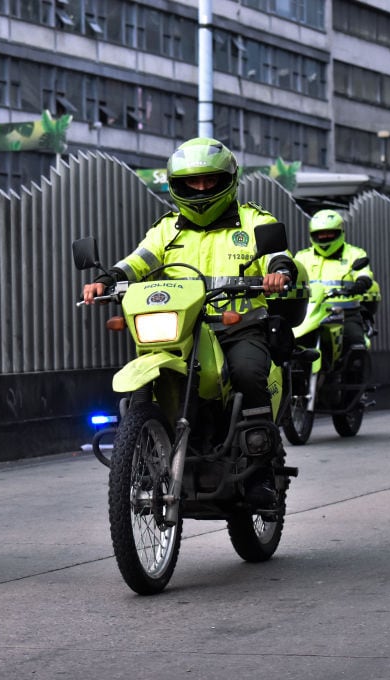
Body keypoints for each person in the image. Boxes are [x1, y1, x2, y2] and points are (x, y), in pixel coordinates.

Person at [81, 137, 295, 507]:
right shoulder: (168, 229)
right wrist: (107, 279)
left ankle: (260, 470)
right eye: (191, 182)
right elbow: (137, 261)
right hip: (182, 330)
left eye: (209, 181)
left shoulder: (255, 220)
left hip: (238, 326)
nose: (200, 189)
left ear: (226, 180)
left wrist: (278, 272)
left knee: (246, 372)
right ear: (176, 185)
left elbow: (279, 255)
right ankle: (145, 454)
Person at [293, 208, 376, 376]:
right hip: (312, 313)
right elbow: (293, 278)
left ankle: (355, 397)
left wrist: (360, 284)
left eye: (329, 234)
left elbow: (365, 274)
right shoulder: (302, 257)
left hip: (346, 313)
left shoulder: (355, 254)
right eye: (320, 235)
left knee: (356, 348)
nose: (324, 238)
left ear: (340, 232)